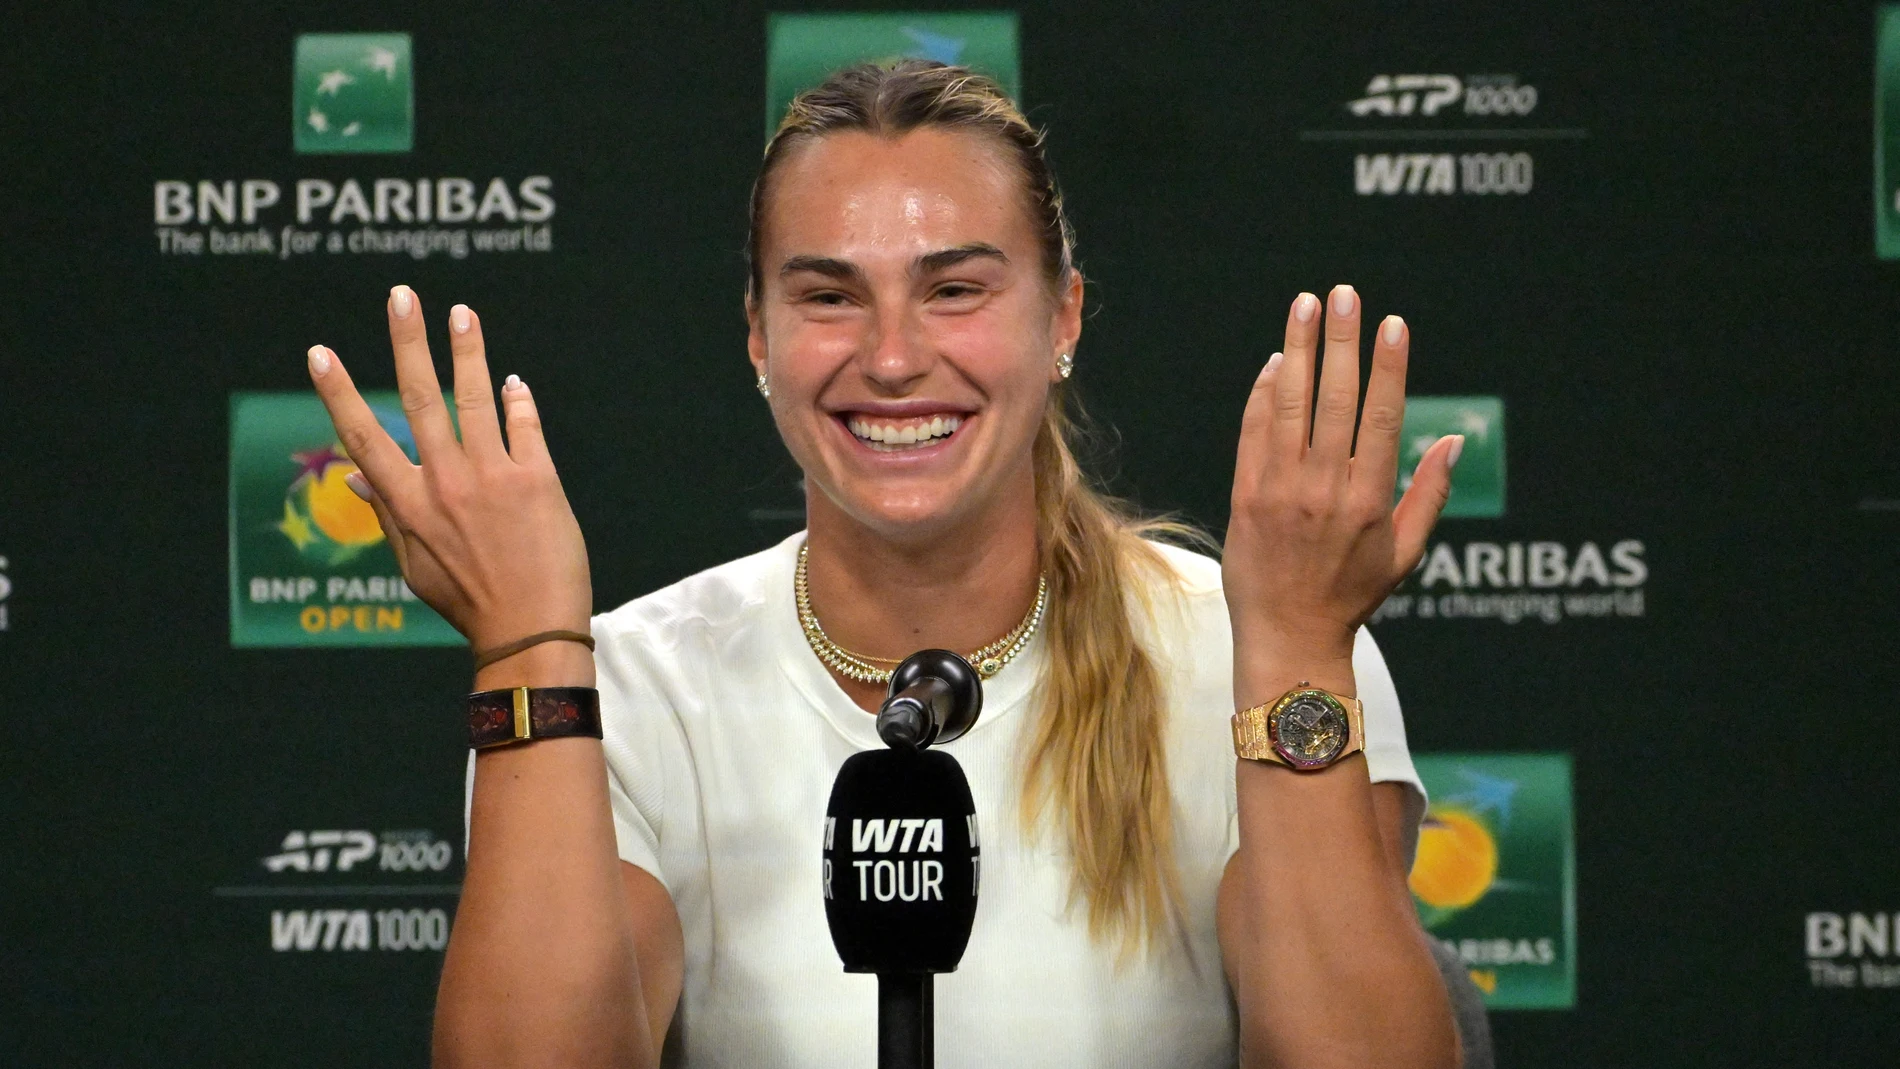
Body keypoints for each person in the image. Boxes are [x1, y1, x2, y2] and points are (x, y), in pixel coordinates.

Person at [305, 61, 1465, 1069]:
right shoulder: (618, 687)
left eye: (955, 289)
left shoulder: (1247, 650)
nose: (895, 356)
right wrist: (526, 645)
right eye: (826, 296)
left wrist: (1306, 649)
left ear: (1062, 317)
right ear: (757, 336)